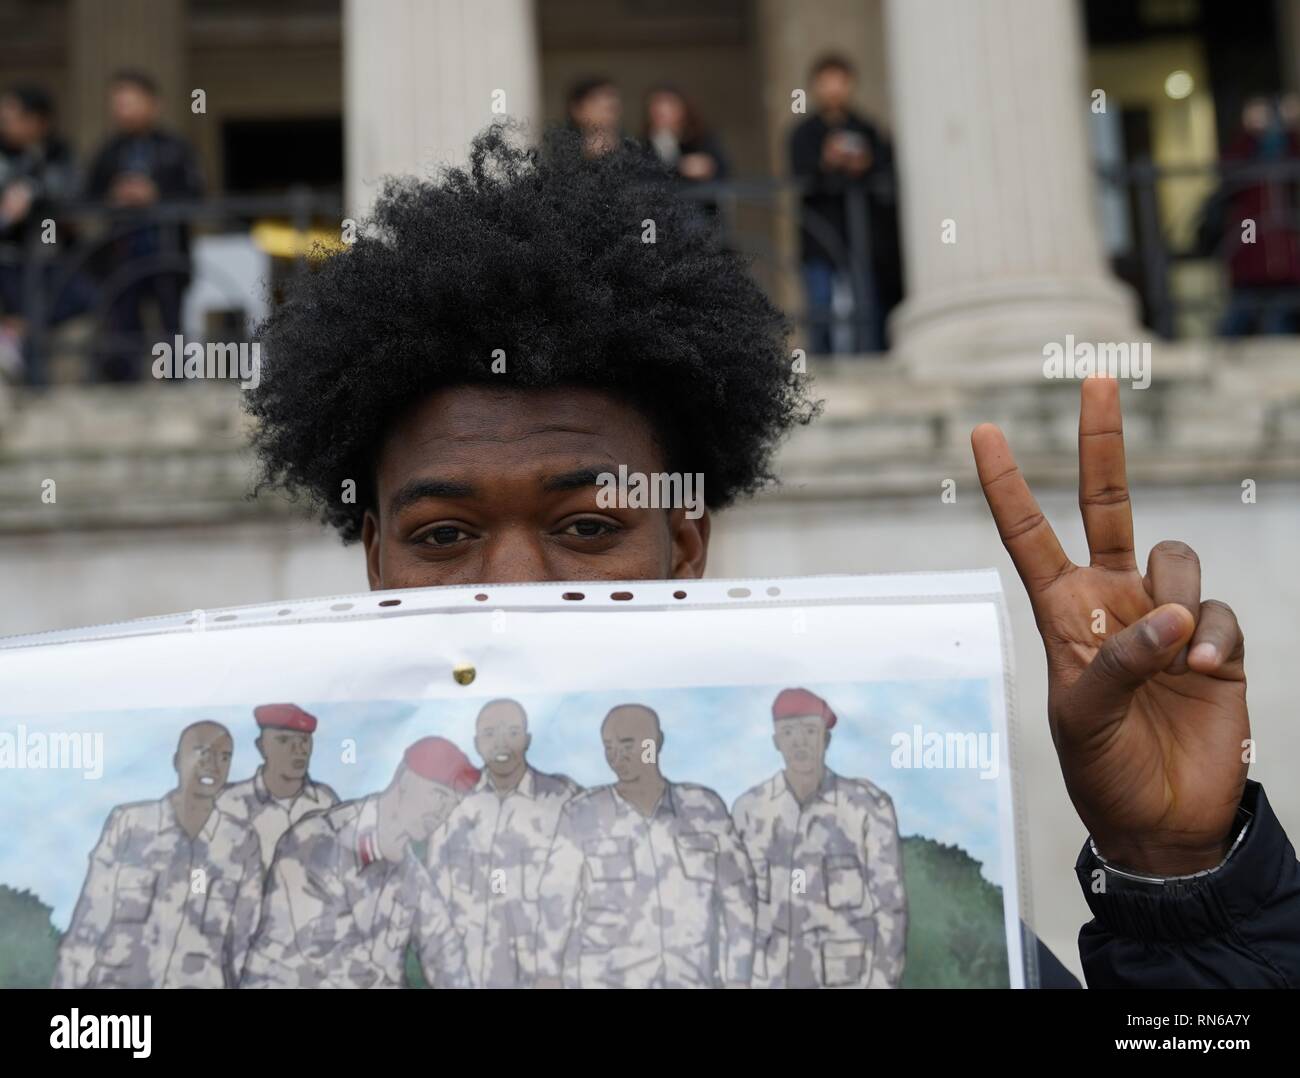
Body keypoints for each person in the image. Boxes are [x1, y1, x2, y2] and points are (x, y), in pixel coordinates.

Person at [244, 124, 1300, 989]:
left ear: (683, 545)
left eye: (586, 527)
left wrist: (1184, 878)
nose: (517, 588)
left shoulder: (828, 869)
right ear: (378, 562)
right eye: (442, 537)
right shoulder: (282, 886)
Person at [533, 705, 756, 988]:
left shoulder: (704, 809)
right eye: (609, 747)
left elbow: (739, 902)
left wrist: (738, 979)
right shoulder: (582, 814)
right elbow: (555, 905)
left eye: (628, 745)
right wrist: (548, 977)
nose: (617, 757)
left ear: (655, 742)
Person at [240, 736, 474, 989]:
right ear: (405, 780)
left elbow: (443, 946)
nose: (443, 811)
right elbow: (333, 957)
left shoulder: (409, 871)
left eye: (452, 804)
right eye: (438, 795)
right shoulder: (317, 840)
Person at [53, 721, 264, 989]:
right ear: (177, 761)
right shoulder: (130, 825)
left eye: (224, 757)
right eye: (202, 753)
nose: (213, 765)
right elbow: (88, 928)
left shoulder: (240, 841)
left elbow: (243, 947)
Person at [733, 688, 906, 988]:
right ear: (776, 742)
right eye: (788, 732)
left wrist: (882, 983)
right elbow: (734, 908)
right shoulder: (750, 811)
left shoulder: (867, 808)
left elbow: (890, 908)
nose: (799, 741)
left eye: (810, 730)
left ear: (826, 738)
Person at [429, 698, 581, 987]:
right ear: (476, 743)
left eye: (512, 732)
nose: (501, 743)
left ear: (527, 739)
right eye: (489, 734)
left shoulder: (564, 800)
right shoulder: (453, 807)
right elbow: (436, 908)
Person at [85, 69, 203, 381]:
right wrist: (114, 195)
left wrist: (156, 195)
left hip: (167, 250)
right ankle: (123, 382)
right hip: (122, 251)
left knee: (171, 319)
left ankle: (176, 378)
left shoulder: (175, 148)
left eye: (129, 102)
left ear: (153, 104)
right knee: (122, 319)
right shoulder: (109, 151)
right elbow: (87, 195)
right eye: (117, 103)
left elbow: (196, 194)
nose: (122, 110)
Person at [789, 54, 898, 355]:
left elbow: (884, 171)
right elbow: (799, 176)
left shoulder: (867, 128)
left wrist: (864, 164)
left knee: (867, 304)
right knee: (820, 303)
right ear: (816, 87)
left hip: (861, 234)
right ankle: (821, 368)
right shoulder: (804, 132)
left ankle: (871, 358)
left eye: (840, 82)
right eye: (827, 82)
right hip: (819, 234)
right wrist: (826, 161)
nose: (834, 89)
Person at [0, 84, 87, 383]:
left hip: (52, 258)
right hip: (9, 258)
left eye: (11, 115)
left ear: (36, 121)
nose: (4, 120)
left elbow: (72, 191)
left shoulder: (58, 153)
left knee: (73, 304)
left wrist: (33, 191)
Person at [216, 702, 340, 871]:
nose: (299, 750)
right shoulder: (229, 803)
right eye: (284, 740)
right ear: (261, 747)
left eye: (304, 740)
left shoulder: (326, 801)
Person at [1217, 94, 1300, 336]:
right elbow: (1228, 171)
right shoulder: (1244, 147)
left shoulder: (1288, 146)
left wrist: (1293, 126)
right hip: (1251, 243)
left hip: (1286, 253)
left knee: (1281, 316)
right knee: (1242, 309)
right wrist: (1249, 133)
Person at [565, 76, 623, 159]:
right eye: (597, 100)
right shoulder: (563, 154)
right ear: (576, 109)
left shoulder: (634, 151)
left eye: (612, 100)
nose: (607, 106)